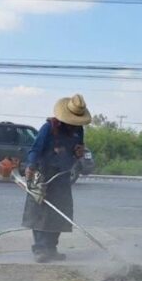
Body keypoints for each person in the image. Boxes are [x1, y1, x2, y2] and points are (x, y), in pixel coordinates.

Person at [22, 94, 91, 263]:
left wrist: (78, 153)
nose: (75, 124)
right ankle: (40, 249)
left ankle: (51, 248)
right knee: (41, 212)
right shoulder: (49, 128)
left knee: (60, 212)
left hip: (63, 175)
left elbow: (78, 150)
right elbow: (35, 149)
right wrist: (30, 166)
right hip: (44, 174)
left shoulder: (78, 130)